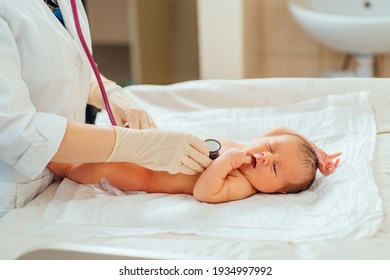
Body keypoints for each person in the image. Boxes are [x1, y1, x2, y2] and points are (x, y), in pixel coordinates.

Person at [0, 0, 211, 217]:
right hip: (14, 192)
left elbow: (67, 64)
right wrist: (135, 145)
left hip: (63, 175)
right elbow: (13, 130)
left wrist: (109, 93)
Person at [48, 127, 341, 203]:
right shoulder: (251, 147)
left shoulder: (243, 184)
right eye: (270, 148)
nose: (266, 157)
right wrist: (316, 151)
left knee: (102, 169)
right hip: (154, 148)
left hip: (148, 175)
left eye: (274, 168)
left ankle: (62, 166)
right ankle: (63, 143)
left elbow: (205, 192)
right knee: (114, 142)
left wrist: (225, 162)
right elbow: (281, 131)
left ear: (277, 192)